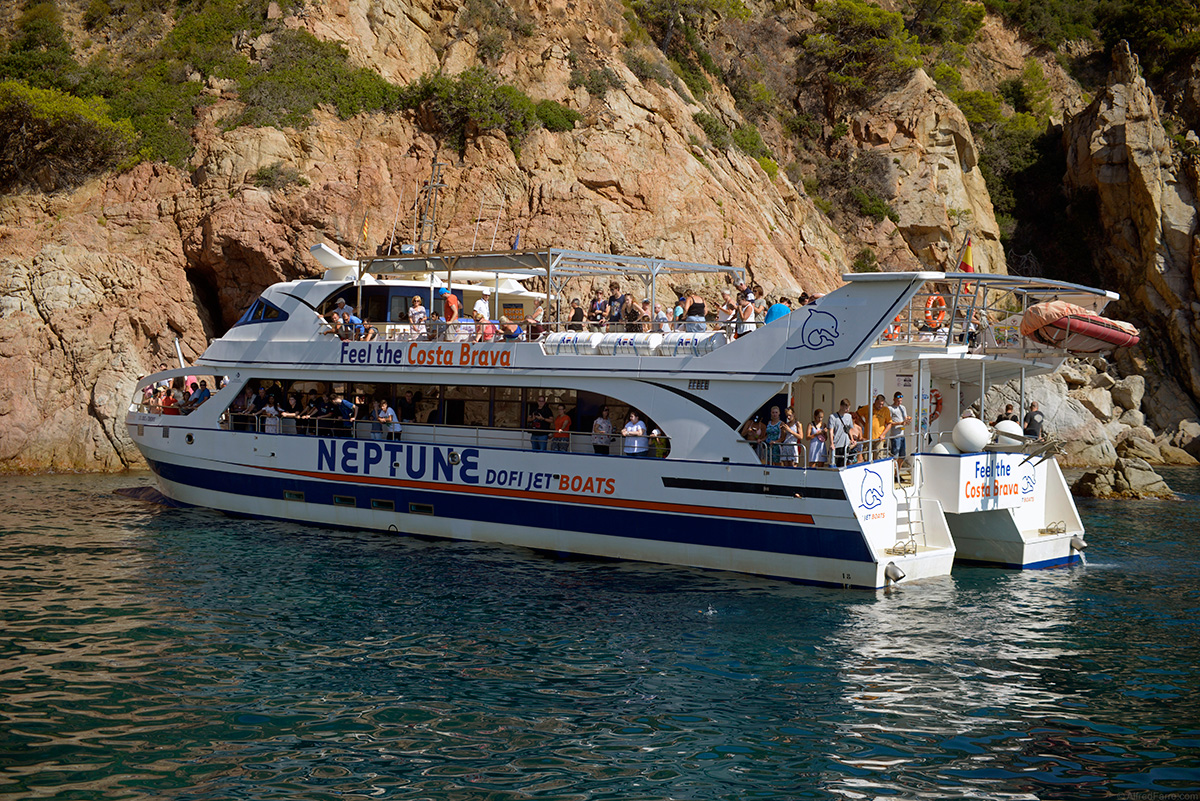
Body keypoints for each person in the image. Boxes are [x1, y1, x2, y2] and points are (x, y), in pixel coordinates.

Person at [828, 399, 853, 467]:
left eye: (848, 408)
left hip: (846, 443)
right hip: (837, 443)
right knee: (835, 463)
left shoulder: (849, 416)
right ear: (841, 406)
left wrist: (852, 439)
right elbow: (831, 431)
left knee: (844, 463)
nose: (847, 410)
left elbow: (849, 429)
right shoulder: (833, 417)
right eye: (846, 408)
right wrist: (832, 443)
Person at [888, 392, 911, 463]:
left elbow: (905, 418)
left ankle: (897, 472)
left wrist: (908, 419)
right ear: (894, 399)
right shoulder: (890, 408)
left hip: (902, 434)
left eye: (901, 401)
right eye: (898, 401)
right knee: (895, 455)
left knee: (902, 456)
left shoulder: (903, 408)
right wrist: (900, 423)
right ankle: (893, 471)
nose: (899, 402)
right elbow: (889, 423)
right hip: (895, 435)